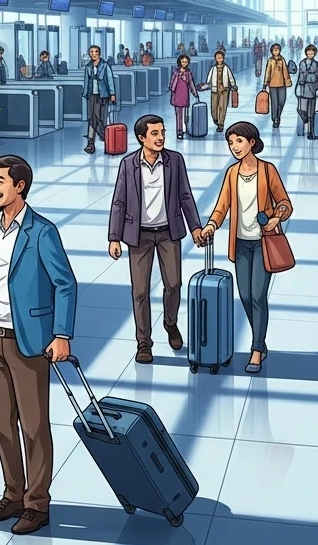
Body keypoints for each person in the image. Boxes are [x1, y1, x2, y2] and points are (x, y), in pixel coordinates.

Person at [0, 155, 76, 535]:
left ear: (19, 186)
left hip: (30, 341)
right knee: (0, 422)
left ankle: (38, 503)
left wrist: (61, 335)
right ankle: (13, 492)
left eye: (0, 181)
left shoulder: (42, 232)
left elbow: (65, 284)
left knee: (34, 425)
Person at [108, 115, 204, 364]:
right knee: (140, 292)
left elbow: (185, 196)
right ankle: (144, 343)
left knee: (173, 284)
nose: (161, 137)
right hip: (138, 236)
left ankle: (170, 324)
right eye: (154, 133)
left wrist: (194, 227)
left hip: (167, 233)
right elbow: (119, 201)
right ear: (141, 138)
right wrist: (114, 237)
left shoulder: (175, 161)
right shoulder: (128, 165)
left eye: (162, 132)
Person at [199, 122, 292, 375]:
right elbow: (222, 205)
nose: (234, 147)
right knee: (245, 297)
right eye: (231, 143)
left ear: (252, 142)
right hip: (240, 243)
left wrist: (276, 217)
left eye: (239, 141)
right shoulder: (232, 174)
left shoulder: (267, 170)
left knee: (259, 296)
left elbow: (285, 202)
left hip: (264, 242)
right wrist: (211, 225)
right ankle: (260, 341)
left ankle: (256, 349)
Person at [82, 43, 116, 154]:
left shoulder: (105, 66)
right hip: (92, 95)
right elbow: (86, 81)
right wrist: (85, 93)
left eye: (96, 52)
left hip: (103, 95)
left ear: (99, 53)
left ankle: (104, 137)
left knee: (100, 117)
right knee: (91, 118)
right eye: (91, 52)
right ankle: (90, 143)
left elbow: (110, 80)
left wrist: (112, 94)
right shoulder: (88, 67)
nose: (94, 54)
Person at [202, 48, 237, 132]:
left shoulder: (226, 68)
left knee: (222, 107)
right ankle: (216, 120)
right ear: (215, 58)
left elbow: (230, 77)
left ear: (223, 58)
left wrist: (233, 85)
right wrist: (204, 86)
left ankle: (221, 124)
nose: (219, 59)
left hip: (224, 90)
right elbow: (208, 79)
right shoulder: (213, 69)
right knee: (214, 108)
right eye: (217, 57)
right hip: (214, 90)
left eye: (220, 57)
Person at [169, 54, 199, 139]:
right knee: (178, 115)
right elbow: (171, 85)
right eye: (183, 62)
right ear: (180, 62)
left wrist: (195, 94)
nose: (184, 63)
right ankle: (179, 131)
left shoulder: (188, 73)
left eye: (186, 62)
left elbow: (191, 84)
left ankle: (186, 129)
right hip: (177, 95)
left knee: (186, 114)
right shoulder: (176, 73)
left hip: (185, 95)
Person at [263, 42, 292, 128]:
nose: (276, 51)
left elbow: (285, 72)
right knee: (274, 103)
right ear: (272, 51)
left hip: (282, 84)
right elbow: (267, 72)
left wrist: (288, 82)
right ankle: (275, 119)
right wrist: (265, 83)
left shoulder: (282, 60)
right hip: (272, 85)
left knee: (282, 101)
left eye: (277, 50)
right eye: (274, 50)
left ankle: (278, 116)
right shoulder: (270, 61)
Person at [296, 44, 318, 139]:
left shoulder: (316, 64)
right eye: (309, 51)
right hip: (303, 89)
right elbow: (299, 76)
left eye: (312, 52)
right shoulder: (302, 63)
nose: (310, 53)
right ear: (306, 52)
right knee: (301, 109)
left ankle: (311, 131)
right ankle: (305, 120)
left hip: (312, 89)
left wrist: (317, 88)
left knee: (311, 113)